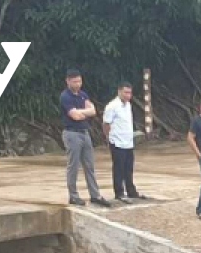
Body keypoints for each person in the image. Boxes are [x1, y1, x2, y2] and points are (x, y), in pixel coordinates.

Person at [60, 69, 111, 207]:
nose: (78, 84)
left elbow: (93, 111)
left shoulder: (83, 95)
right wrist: (84, 112)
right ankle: (73, 195)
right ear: (68, 81)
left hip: (84, 132)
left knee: (90, 165)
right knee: (73, 166)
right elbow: (75, 116)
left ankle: (95, 195)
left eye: (79, 81)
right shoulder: (65, 96)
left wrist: (81, 112)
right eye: (75, 81)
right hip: (72, 133)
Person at [102, 82, 149, 204]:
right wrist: (108, 138)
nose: (128, 95)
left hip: (128, 142)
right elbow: (106, 123)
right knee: (118, 168)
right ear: (119, 92)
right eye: (126, 92)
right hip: (116, 142)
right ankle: (119, 192)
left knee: (129, 168)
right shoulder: (112, 106)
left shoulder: (128, 105)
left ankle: (131, 190)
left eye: (130, 92)